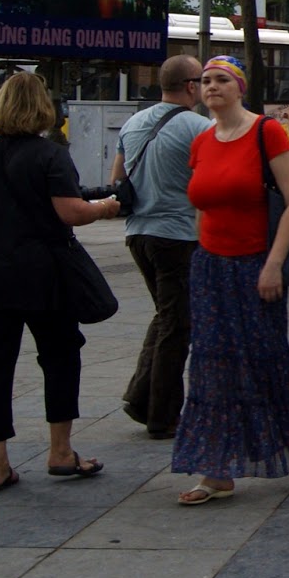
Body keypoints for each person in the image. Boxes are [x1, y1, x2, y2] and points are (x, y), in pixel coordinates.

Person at [171, 56, 289, 505]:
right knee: (211, 364)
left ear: (240, 87)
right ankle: (216, 469)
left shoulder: (266, 132)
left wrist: (273, 264)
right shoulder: (202, 141)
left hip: (256, 264)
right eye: (205, 80)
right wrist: (201, 254)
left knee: (264, 356)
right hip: (210, 267)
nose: (212, 86)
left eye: (222, 79)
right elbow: (201, 205)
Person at [0, 72, 116, 492]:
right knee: (60, 356)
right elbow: (70, 211)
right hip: (45, 275)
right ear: (43, 107)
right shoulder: (50, 155)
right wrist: (104, 207)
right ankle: (61, 452)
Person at [111, 55, 209, 439]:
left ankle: (140, 398)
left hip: (138, 233)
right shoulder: (198, 127)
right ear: (191, 86)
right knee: (178, 326)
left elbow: (117, 178)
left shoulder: (134, 122)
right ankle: (163, 416)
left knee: (166, 316)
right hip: (177, 236)